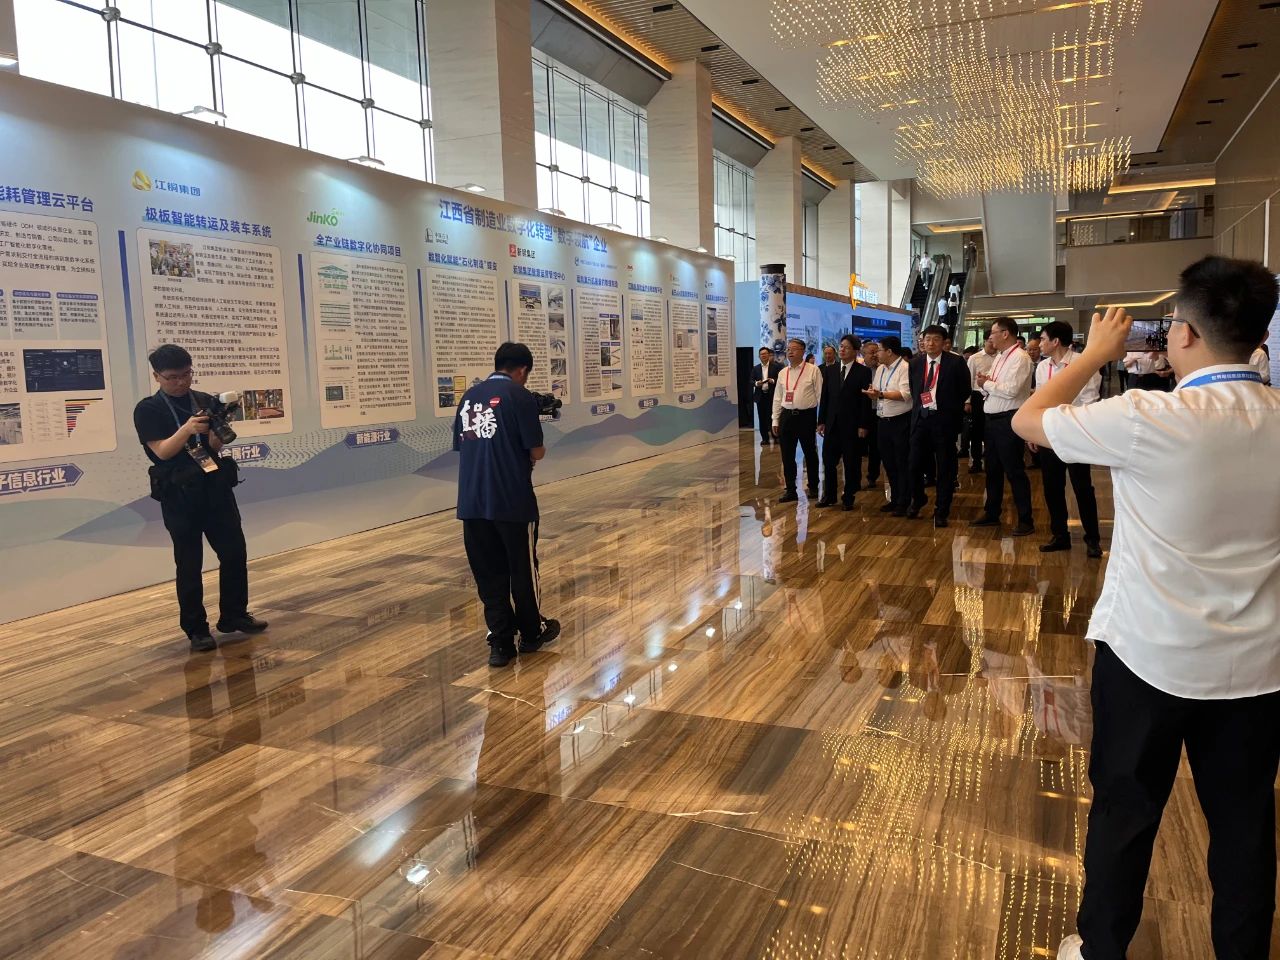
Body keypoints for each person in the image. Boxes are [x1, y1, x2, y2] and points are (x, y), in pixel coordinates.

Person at [1012, 255, 1280, 960]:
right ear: (1260, 336)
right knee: (1247, 827)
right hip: (1259, 668)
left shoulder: (1149, 416)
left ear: (1183, 333)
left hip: (1147, 658)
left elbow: (1030, 419)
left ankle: (1101, 950)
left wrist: (1093, 355)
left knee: (1125, 815)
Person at [133, 344, 267, 651]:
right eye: (172, 377)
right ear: (156, 376)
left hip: (214, 486)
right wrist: (187, 428)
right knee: (189, 562)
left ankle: (234, 614)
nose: (181, 382)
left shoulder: (204, 400)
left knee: (234, 553)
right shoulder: (148, 409)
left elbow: (213, 448)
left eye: (186, 374)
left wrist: (221, 422)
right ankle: (196, 629)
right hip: (179, 492)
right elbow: (163, 451)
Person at [453, 342, 560, 668]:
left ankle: (500, 643)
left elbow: (464, 445)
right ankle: (531, 632)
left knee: (488, 574)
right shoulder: (520, 396)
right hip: (512, 500)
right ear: (523, 370)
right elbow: (536, 450)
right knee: (522, 570)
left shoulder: (468, 397)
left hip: (472, 501)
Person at [1030, 321, 1102, 558]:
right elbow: (1039, 400)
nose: (1040, 343)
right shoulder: (1042, 367)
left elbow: (1090, 401)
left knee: (1082, 487)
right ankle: (1060, 535)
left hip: (1074, 432)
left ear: (1055, 341)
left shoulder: (1083, 363)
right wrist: (1034, 431)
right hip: (1049, 431)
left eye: (1043, 339)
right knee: (1052, 487)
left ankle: (1093, 539)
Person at [972, 317, 1035, 535]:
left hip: (1008, 420)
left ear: (1005, 333)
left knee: (1014, 470)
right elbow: (996, 385)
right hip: (992, 419)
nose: (990, 337)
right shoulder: (1001, 356)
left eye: (993, 332)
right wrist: (986, 382)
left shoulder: (1020, 358)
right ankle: (992, 513)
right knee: (992, 469)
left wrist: (987, 383)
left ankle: (1026, 520)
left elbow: (1011, 390)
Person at [905, 325, 970, 527]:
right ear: (922, 341)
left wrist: (949, 409)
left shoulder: (956, 362)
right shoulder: (915, 363)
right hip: (921, 420)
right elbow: (915, 390)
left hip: (944, 423)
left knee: (945, 468)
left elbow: (964, 390)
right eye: (927, 339)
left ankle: (942, 510)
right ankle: (918, 498)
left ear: (944, 342)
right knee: (913, 465)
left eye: (935, 339)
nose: (931, 343)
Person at [817, 334, 874, 510]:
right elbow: (825, 397)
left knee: (851, 463)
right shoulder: (830, 370)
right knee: (828, 461)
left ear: (855, 351)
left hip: (852, 425)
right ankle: (829, 495)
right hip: (832, 424)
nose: (842, 350)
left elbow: (865, 401)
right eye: (841, 346)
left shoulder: (863, 372)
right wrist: (821, 421)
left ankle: (849, 496)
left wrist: (863, 424)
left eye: (847, 347)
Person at [865, 336, 912, 516]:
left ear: (889, 352)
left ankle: (904, 501)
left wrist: (881, 394)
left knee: (901, 463)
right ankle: (895, 498)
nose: (876, 354)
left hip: (900, 421)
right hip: (882, 421)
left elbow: (905, 394)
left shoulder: (905, 368)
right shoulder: (880, 369)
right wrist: (873, 394)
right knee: (889, 463)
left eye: (879, 350)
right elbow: (878, 392)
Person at [772, 337, 823, 503]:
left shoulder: (813, 370)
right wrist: (775, 420)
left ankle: (813, 486)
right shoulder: (782, 373)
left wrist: (821, 420)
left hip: (806, 416)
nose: (790, 352)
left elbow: (820, 395)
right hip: (787, 416)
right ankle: (790, 490)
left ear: (803, 351)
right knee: (787, 455)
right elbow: (777, 398)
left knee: (810, 452)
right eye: (788, 349)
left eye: (794, 349)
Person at [965, 334, 996, 473]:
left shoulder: (1000, 357)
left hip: (994, 395)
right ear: (985, 341)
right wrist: (967, 401)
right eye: (990, 341)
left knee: (992, 430)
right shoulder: (974, 358)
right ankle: (976, 462)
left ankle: (992, 462)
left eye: (994, 341)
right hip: (977, 396)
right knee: (976, 431)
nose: (993, 344)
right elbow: (968, 380)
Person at [860, 340, 883, 489]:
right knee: (859, 447)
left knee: (875, 447)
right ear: (864, 355)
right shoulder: (860, 371)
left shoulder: (883, 370)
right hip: (863, 413)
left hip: (879, 412)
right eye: (872, 352)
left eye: (877, 352)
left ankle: (872, 477)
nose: (875, 355)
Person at [752, 346, 783, 447]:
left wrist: (772, 380)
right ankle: (764, 438)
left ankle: (775, 437)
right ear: (759, 356)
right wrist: (757, 383)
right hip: (760, 396)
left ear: (769, 355)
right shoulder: (755, 368)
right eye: (762, 354)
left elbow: (780, 379)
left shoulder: (776, 367)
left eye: (765, 354)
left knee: (773, 416)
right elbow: (750, 381)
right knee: (762, 418)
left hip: (772, 396)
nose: (764, 356)